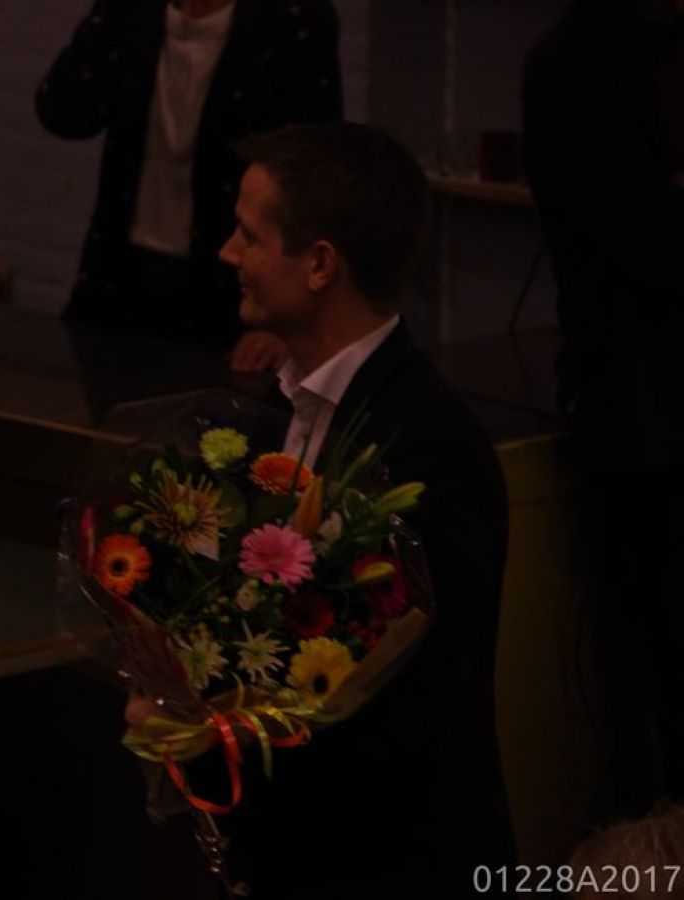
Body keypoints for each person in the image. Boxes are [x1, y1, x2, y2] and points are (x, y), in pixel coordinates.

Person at [205, 121, 515, 897]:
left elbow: (393, 700)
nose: (226, 253)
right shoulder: (285, 408)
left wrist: (215, 725)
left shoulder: (427, 446)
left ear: (318, 265)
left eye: (248, 236)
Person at [523, 0, 684, 824]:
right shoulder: (580, 61)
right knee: (650, 669)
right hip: (642, 412)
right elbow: (652, 247)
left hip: (644, 407)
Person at [36, 0, 343, 373]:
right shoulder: (136, 12)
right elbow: (64, 113)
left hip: (230, 286)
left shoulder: (288, 16)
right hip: (119, 273)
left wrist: (281, 325)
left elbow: (317, 172)